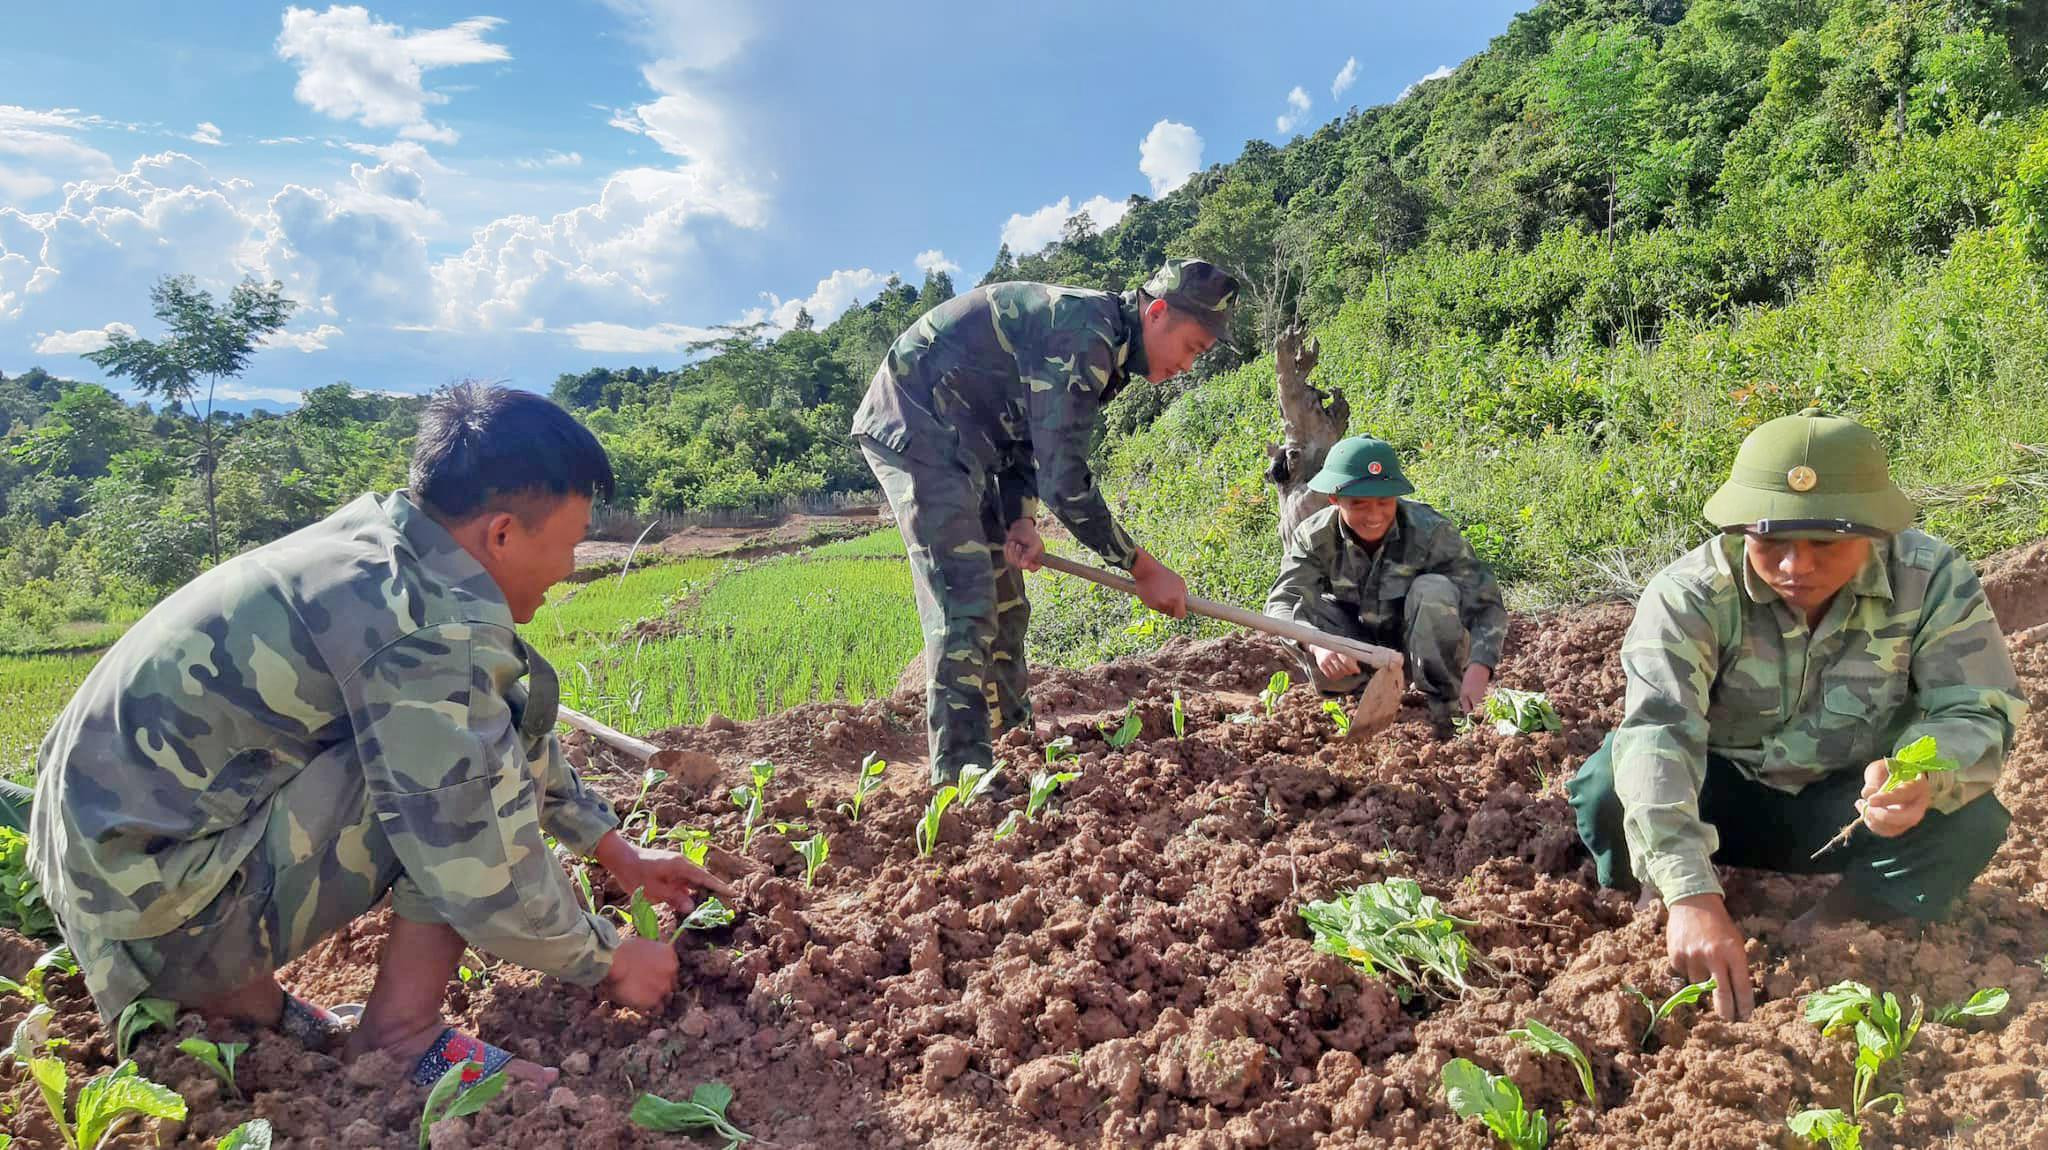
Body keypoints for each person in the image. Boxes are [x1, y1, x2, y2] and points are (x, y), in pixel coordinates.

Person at [28, 383, 729, 1089]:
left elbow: (496, 712)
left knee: (454, 746)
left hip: (117, 878)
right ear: (504, 533)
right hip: (158, 910)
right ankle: (402, 1034)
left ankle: (229, 1000)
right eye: (572, 543)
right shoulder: (431, 631)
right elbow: (475, 845)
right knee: (446, 795)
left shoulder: (381, 547)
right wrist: (607, 959)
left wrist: (614, 850)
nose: (572, 567)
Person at [1566, 408, 2025, 1022]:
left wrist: (1921, 777)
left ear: (1874, 530)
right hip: (1724, 794)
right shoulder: (1691, 593)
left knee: (1971, 819)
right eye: (1772, 540)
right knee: (1607, 787)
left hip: (1850, 805)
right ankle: (1658, 903)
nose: (1795, 566)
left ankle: (1843, 919)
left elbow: (1975, 708)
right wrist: (1689, 889)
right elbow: (1659, 733)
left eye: (1826, 543)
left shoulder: (1932, 580)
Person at [852, 259, 1238, 785]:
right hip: (919, 422)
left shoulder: (1110, 346)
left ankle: (1016, 745)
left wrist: (1021, 518)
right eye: (1192, 348)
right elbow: (1065, 481)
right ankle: (963, 779)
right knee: (965, 599)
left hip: (975, 442)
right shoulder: (1086, 337)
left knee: (1007, 605)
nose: (1189, 366)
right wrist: (1141, 566)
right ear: (1158, 312)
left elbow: (1025, 437)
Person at [1264, 436, 1507, 731]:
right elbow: (1280, 604)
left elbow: (1485, 603)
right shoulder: (1314, 537)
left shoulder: (1430, 531)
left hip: (1419, 647)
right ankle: (1355, 704)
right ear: (1334, 499)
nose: (1374, 515)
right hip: (1354, 654)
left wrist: (1480, 667)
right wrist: (1318, 644)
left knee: (1433, 590)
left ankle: (1443, 707)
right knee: (1308, 610)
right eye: (1359, 504)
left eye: (1384, 502)